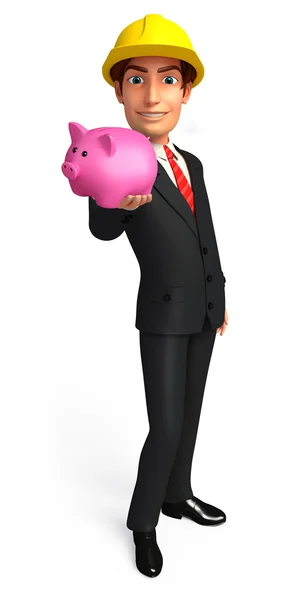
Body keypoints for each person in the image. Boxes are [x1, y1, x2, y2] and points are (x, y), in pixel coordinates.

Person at [88, 13, 229, 578]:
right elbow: (102, 227)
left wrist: (219, 295)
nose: (152, 94)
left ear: (185, 91)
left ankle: (178, 495)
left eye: (167, 79)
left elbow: (206, 234)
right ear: (119, 89)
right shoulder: (115, 157)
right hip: (163, 313)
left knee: (190, 415)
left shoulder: (191, 163)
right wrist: (116, 206)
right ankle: (143, 522)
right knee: (165, 424)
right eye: (137, 79)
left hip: (202, 309)